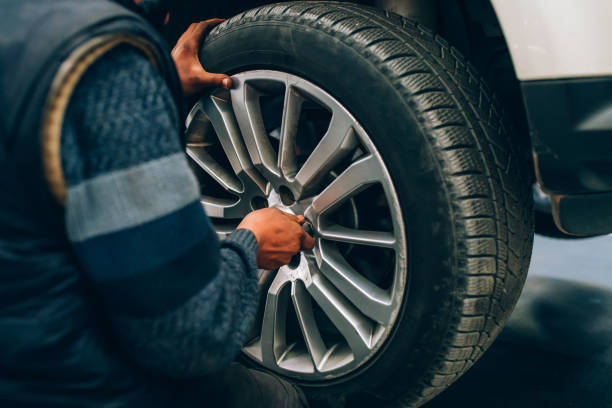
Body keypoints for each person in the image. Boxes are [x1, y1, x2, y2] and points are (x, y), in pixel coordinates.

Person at [0, 0, 313, 407]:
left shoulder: (26, 30)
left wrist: (152, 85)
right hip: (66, 384)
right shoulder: (103, 62)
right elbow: (188, 338)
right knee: (282, 399)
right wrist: (248, 243)